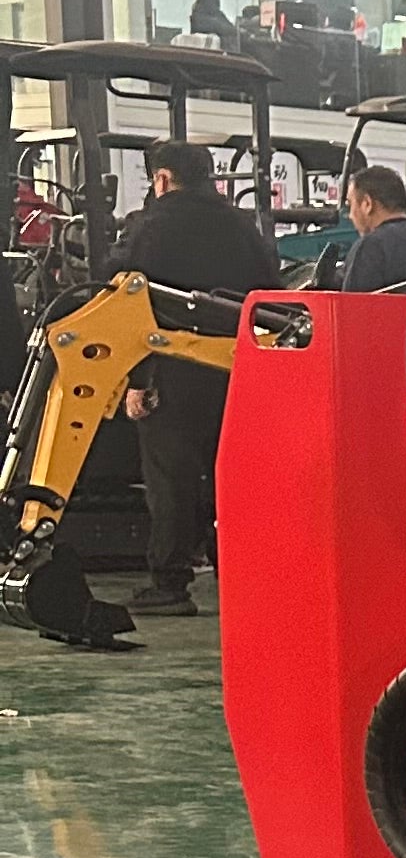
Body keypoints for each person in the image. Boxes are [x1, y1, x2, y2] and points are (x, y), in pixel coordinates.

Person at [111, 137, 274, 618]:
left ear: (162, 179)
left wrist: (137, 379)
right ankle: (240, 576)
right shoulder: (242, 226)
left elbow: (126, 300)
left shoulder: (150, 226)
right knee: (231, 475)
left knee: (171, 478)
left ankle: (170, 583)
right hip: (235, 368)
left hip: (171, 368)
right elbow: (269, 292)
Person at [314, 156, 406, 296]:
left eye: (351, 204)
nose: (350, 215)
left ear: (367, 204)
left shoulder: (369, 247)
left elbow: (352, 305)